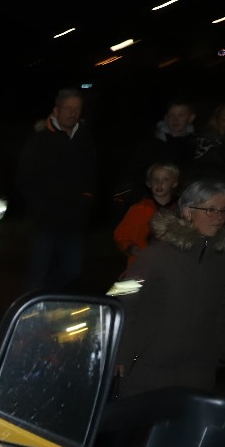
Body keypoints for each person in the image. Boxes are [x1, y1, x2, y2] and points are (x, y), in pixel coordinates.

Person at [114, 179, 225, 397]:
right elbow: (121, 297)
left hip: (199, 373)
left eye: (223, 211)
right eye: (211, 210)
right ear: (188, 212)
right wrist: (120, 352)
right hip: (148, 370)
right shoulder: (156, 254)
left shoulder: (220, 260)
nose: (219, 217)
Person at [17, 88, 98, 292]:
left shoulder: (85, 138)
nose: (73, 113)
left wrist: (86, 199)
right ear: (56, 110)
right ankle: (31, 306)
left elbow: (92, 173)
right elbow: (24, 178)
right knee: (37, 273)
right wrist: (41, 206)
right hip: (43, 222)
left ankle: (45, 297)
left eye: (77, 108)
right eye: (68, 108)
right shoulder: (39, 140)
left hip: (75, 220)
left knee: (72, 269)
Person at [113, 161, 180, 266]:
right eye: (155, 180)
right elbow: (120, 234)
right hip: (141, 264)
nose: (159, 184)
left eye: (165, 179)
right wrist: (131, 247)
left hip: (170, 265)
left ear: (174, 183)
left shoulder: (181, 210)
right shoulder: (138, 209)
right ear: (148, 183)